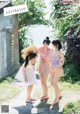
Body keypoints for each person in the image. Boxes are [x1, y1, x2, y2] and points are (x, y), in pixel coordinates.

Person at [50, 40, 64, 107]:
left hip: (57, 69)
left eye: (53, 44)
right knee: (52, 83)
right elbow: (50, 59)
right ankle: (59, 91)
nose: (52, 45)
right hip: (51, 68)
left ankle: (56, 99)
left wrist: (58, 66)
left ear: (57, 45)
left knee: (54, 83)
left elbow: (62, 62)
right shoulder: (52, 51)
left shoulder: (61, 53)